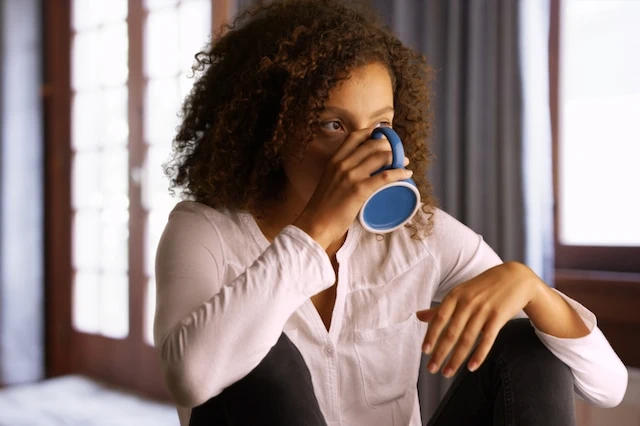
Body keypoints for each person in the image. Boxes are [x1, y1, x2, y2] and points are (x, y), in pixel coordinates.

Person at [154, 1, 627, 425]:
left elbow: (609, 387)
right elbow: (192, 381)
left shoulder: (419, 237)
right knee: (254, 346)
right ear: (270, 130)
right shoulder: (202, 231)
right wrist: (315, 228)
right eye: (333, 125)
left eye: (380, 125)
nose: (367, 150)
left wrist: (530, 287)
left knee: (529, 347)